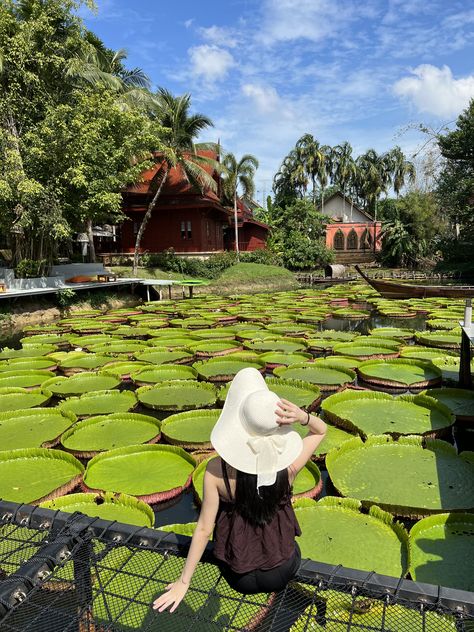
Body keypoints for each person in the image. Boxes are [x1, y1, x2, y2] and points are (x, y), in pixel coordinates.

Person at [152, 367, 327, 613]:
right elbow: (321, 430)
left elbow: (203, 530)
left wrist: (184, 582)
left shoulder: (216, 471)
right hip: (282, 570)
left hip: (238, 577)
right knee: (293, 550)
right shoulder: (289, 468)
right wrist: (302, 417)